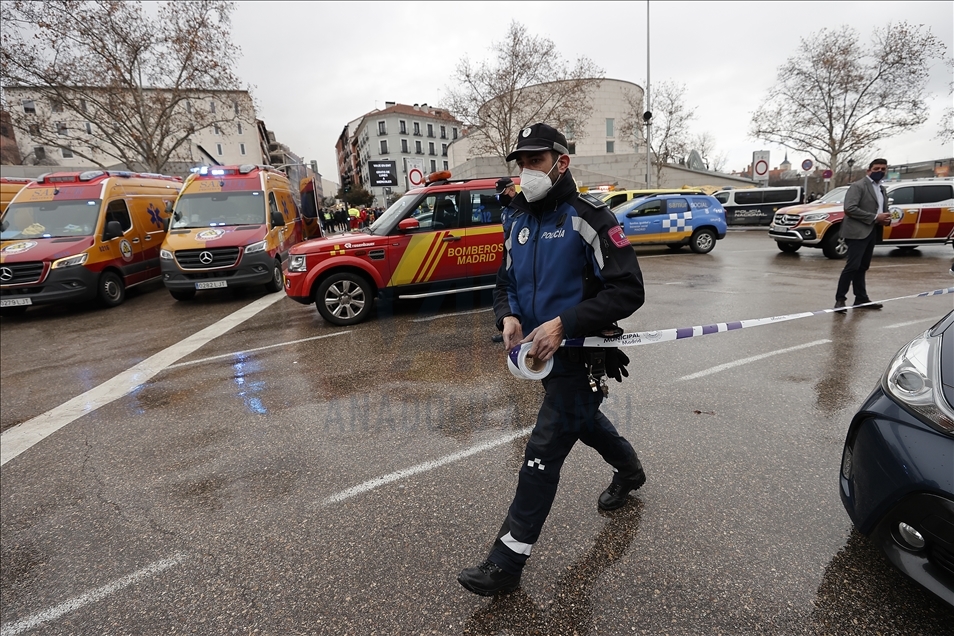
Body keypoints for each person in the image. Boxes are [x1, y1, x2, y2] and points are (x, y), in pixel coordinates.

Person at [458, 123, 647, 597]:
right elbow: (505, 284)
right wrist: (509, 318)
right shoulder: (516, 220)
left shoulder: (591, 217)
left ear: (562, 162)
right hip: (538, 358)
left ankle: (506, 562)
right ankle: (630, 470)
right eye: (520, 162)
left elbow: (628, 289)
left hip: (581, 356)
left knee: (542, 451)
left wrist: (566, 323)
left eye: (535, 160)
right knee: (583, 423)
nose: (526, 171)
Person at [834, 158, 891, 312]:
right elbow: (849, 208)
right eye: (877, 168)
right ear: (869, 170)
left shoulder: (881, 189)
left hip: (872, 231)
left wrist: (885, 219)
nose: (880, 171)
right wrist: (874, 217)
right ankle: (840, 300)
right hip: (857, 232)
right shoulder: (858, 186)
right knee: (852, 266)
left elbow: (881, 209)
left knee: (863, 266)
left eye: (883, 169)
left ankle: (861, 298)